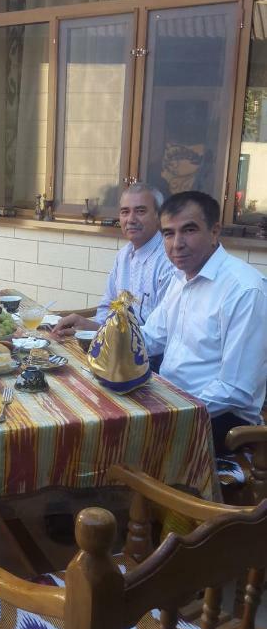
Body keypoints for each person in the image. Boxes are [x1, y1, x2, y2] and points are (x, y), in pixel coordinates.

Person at [142, 191, 267, 454]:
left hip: (220, 418)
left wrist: (172, 412)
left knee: (121, 444)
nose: (177, 243)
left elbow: (235, 389)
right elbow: (151, 338)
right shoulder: (180, 277)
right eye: (168, 233)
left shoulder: (244, 290)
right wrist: (103, 342)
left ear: (214, 232)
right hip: (172, 401)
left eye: (189, 230)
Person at [52, 183, 174, 337]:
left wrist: (101, 335)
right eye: (125, 212)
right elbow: (107, 307)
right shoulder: (123, 255)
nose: (131, 219)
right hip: (114, 346)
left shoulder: (169, 260)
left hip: (148, 356)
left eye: (140, 211)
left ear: (159, 216)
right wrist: (86, 326)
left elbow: (159, 335)